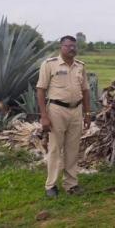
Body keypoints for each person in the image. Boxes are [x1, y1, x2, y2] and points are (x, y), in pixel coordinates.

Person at [37, 35, 91, 197]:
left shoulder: (80, 66)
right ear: (61, 47)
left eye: (74, 46)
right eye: (68, 46)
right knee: (55, 148)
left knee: (73, 149)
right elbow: (40, 90)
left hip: (76, 110)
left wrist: (87, 113)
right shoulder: (50, 65)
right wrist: (44, 116)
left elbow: (86, 90)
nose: (72, 49)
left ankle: (71, 184)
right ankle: (51, 185)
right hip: (56, 110)